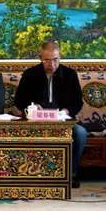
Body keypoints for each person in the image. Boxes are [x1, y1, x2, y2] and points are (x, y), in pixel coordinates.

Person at [14, 40, 87, 188]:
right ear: (40, 58)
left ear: (60, 57)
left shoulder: (70, 75)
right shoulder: (30, 74)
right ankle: (29, 173)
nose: (52, 64)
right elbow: (19, 101)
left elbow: (77, 102)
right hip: (35, 121)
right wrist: (32, 107)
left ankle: (71, 174)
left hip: (63, 121)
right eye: (47, 60)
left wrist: (66, 111)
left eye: (55, 60)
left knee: (80, 133)